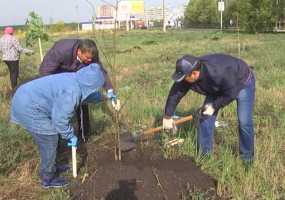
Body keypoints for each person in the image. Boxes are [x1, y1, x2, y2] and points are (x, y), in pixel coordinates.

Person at [10, 63, 117, 188]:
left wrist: (105, 97)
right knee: (49, 138)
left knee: (53, 135)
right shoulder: (72, 92)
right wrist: (70, 136)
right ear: (92, 84)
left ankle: (52, 166)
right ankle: (48, 178)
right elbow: (59, 120)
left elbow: (85, 95)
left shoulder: (77, 79)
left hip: (27, 95)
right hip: (28, 106)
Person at [163, 53, 255, 163]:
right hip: (216, 87)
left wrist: (213, 107)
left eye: (184, 78)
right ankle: (205, 157)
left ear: (194, 73)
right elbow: (176, 93)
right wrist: (168, 116)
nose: (183, 81)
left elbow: (231, 93)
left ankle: (247, 159)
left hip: (241, 82)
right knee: (205, 119)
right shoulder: (188, 74)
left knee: (244, 122)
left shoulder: (218, 72)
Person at [39, 38, 120, 140]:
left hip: (77, 74)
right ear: (79, 52)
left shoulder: (90, 54)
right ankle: (56, 140)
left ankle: (84, 136)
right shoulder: (61, 50)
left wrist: (109, 89)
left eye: (91, 59)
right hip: (57, 74)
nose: (90, 61)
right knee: (57, 110)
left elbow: (100, 70)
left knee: (82, 97)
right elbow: (45, 71)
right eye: (87, 58)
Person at [0, 26, 33, 91]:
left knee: (12, 72)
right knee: (14, 73)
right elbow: (19, 49)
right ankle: (15, 89)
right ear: (11, 32)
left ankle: (14, 87)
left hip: (5, 59)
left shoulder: (1, 39)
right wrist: (30, 51)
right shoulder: (13, 38)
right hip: (13, 59)